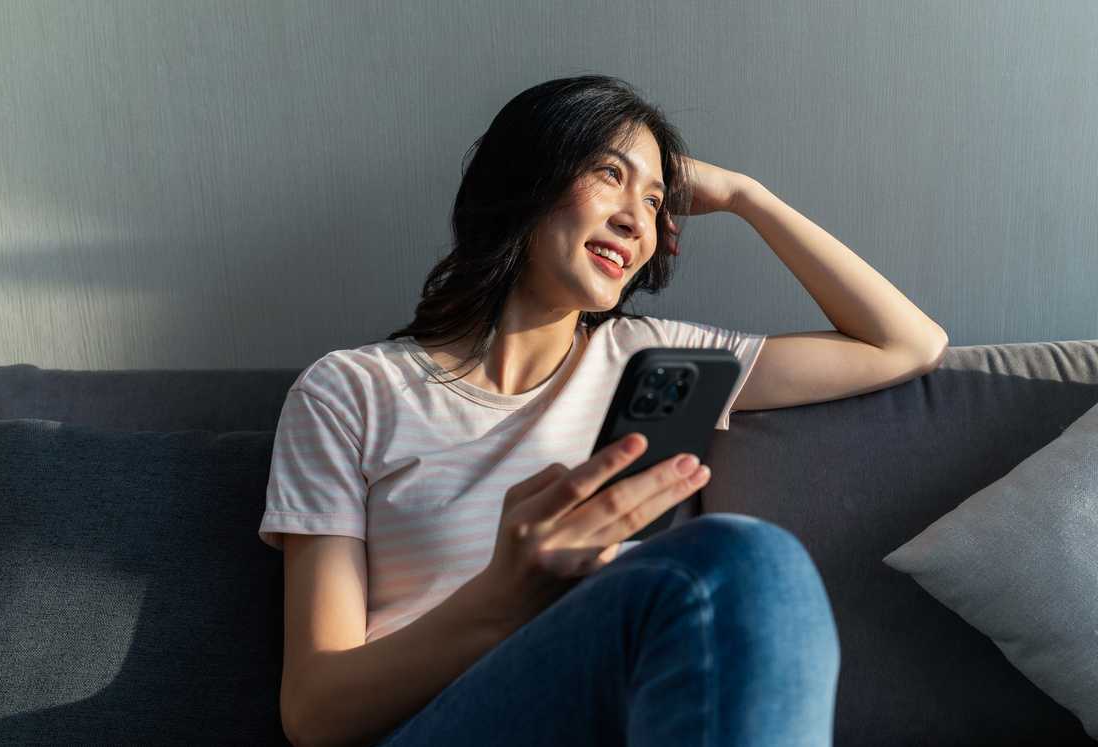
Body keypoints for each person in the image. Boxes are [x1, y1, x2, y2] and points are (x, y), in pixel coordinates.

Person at [260, 74, 841, 746]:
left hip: (612, 709)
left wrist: (746, 196)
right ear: (528, 177)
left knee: (752, 556)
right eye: (608, 174)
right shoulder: (348, 391)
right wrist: (501, 598)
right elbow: (313, 710)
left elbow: (906, 344)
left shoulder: (647, 355)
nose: (636, 218)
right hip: (431, 726)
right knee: (743, 555)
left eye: (655, 200)